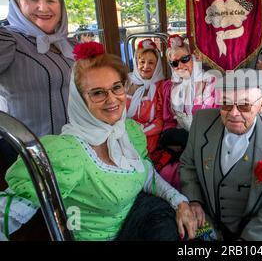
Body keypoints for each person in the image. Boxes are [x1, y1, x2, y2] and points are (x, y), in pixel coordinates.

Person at [0, 42, 197, 241]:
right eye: (97, 93)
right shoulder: (66, 153)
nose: (112, 100)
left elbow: (145, 173)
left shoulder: (128, 132)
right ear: (79, 100)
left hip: (137, 224)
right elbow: (7, 211)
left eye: (116, 88)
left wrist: (179, 202)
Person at [180, 69, 262, 241]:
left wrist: (249, 239)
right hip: (209, 223)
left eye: (244, 105)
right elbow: (188, 165)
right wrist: (194, 200)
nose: (234, 113)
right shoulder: (201, 121)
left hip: (260, 232)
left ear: (261, 104)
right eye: (226, 104)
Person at [0, 0, 75, 138]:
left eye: (51, 0)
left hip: (74, 146)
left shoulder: (68, 44)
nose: (43, 7)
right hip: (30, 154)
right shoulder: (8, 40)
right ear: (17, 6)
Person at [159, 35, 218, 189]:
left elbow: (211, 117)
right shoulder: (169, 87)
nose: (180, 65)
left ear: (194, 58)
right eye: (174, 62)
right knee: (167, 172)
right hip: (181, 142)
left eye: (185, 59)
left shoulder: (210, 81)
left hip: (206, 141)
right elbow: (168, 120)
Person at [126, 38, 165, 155]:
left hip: (148, 138)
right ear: (136, 62)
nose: (145, 66)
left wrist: (138, 132)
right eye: (142, 61)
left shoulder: (161, 87)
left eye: (151, 62)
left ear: (157, 65)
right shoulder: (125, 82)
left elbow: (160, 121)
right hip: (123, 133)